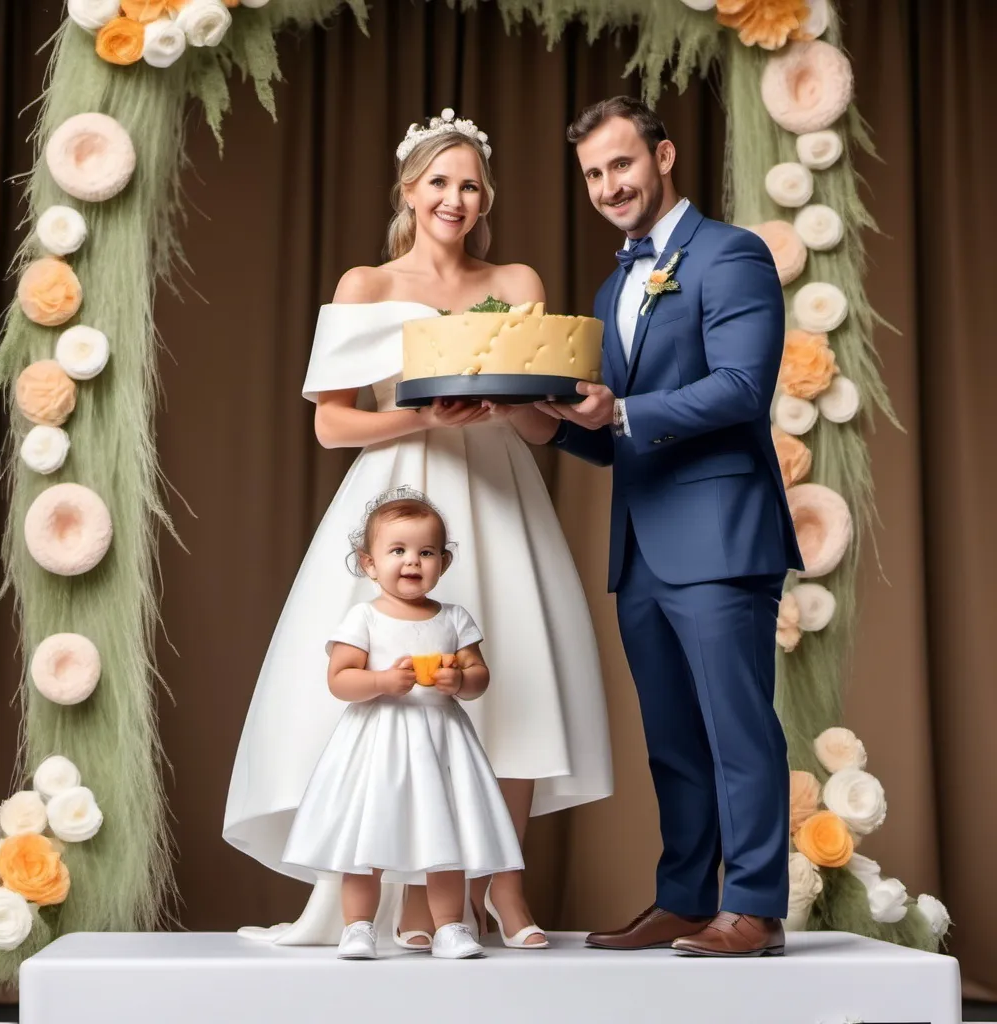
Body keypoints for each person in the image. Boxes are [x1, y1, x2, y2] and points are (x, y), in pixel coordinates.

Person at [223, 109, 613, 951]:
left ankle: (505, 890)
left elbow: (543, 431)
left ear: (486, 197)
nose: (456, 197)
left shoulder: (518, 280)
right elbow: (331, 426)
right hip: (402, 493)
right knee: (400, 692)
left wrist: (520, 407)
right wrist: (419, 417)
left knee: (513, 687)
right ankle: (407, 894)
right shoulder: (366, 285)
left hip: (501, 494)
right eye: (440, 181)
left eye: (470, 184)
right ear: (409, 191)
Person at [536, 96, 804, 957]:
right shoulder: (613, 285)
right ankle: (685, 900)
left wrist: (619, 410)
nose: (609, 186)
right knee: (674, 743)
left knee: (738, 729)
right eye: (592, 175)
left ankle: (754, 908)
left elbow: (740, 388)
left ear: (663, 155)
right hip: (640, 546)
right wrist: (543, 422)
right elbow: (616, 431)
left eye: (621, 164)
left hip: (723, 535)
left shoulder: (730, 254)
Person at [280, 488, 523, 960]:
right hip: (379, 740)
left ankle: (450, 926)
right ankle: (358, 927)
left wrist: (459, 680)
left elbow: (479, 675)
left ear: (444, 564)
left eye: (426, 552)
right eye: (398, 551)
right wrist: (381, 680)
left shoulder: (453, 618)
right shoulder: (364, 617)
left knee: (444, 835)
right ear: (369, 563)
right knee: (365, 838)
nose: (412, 561)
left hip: (440, 742)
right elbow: (339, 679)